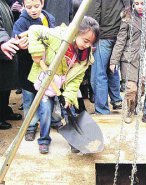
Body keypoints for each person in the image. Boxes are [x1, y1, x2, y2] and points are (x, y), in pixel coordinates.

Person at [27, 16, 99, 154]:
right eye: (85, 41)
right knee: (46, 111)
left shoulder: (85, 57)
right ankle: (44, 140)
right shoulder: (58, 36)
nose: (87, 45)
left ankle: (74, 141)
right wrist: (36, 51)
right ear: (76, 32)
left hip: (64, 84)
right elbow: (34, 29)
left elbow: (76, 79)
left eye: (91, 43)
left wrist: (69, 95)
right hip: (47, 81)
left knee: (69, 109)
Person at [12, 0, 56, 141]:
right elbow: (15, 41)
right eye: (29, 7)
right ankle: (30, 126)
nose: (33, 10)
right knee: (29, 99)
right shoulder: (21, 23)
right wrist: (19, 45)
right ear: (24, 6)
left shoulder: (48, 18)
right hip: (27, 69)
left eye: (36, 6)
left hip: (45, 67)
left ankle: (52, 120)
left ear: (42, 3)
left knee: (48, 96)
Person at [88, 0, 130, 114]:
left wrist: (91, 37)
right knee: (112, 68)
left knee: (99, 74)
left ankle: (102, 109)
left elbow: (93, 15)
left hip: (103, 34)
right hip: (119, 33)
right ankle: (116, 100)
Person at [109, 0, 143, 123]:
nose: (140, 7)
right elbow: (121, 40)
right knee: (130, 88)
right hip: (129, 57)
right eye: (137, 3)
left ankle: (135, 106)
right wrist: (114, 60)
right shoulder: (128, 18)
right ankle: (129, 109)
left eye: (142, 4)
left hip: (144, 58)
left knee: (142, 87)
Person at [0, 0, 22, 130]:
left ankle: (5, 110)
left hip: (6, 50)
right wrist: (3, 40)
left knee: (6, 84)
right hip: (2, 48)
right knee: (1, 85)